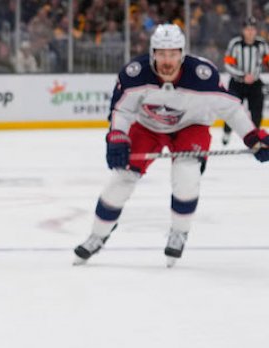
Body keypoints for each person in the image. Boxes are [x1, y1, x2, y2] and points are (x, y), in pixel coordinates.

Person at [73, 24, 269, 268]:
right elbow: (121, 110)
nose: (167, 60)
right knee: (121, 178)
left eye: (173, 53)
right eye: (162, 53)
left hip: (191, 126)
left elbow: (231, 108)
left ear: (182, 53)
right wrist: (117, 136)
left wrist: (252, 137)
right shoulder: (135, 74)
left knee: (186, 174)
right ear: (153, 52)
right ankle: (97, 235)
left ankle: (179, 232)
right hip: (147, 127)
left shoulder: (201, 75)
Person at [221, 16, 269, 145]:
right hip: (237, 83)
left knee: (257, 113)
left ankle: (256, 140)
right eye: (247, 29)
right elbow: (227, 64)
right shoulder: (235, 44)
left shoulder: (262, 44)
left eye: (253, 29)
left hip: (255, 83)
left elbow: (267, 61)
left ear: (256, 30)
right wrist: (242, 76)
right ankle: (226, 132)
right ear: (243, 30)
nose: (250, 32)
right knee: (231, 110)